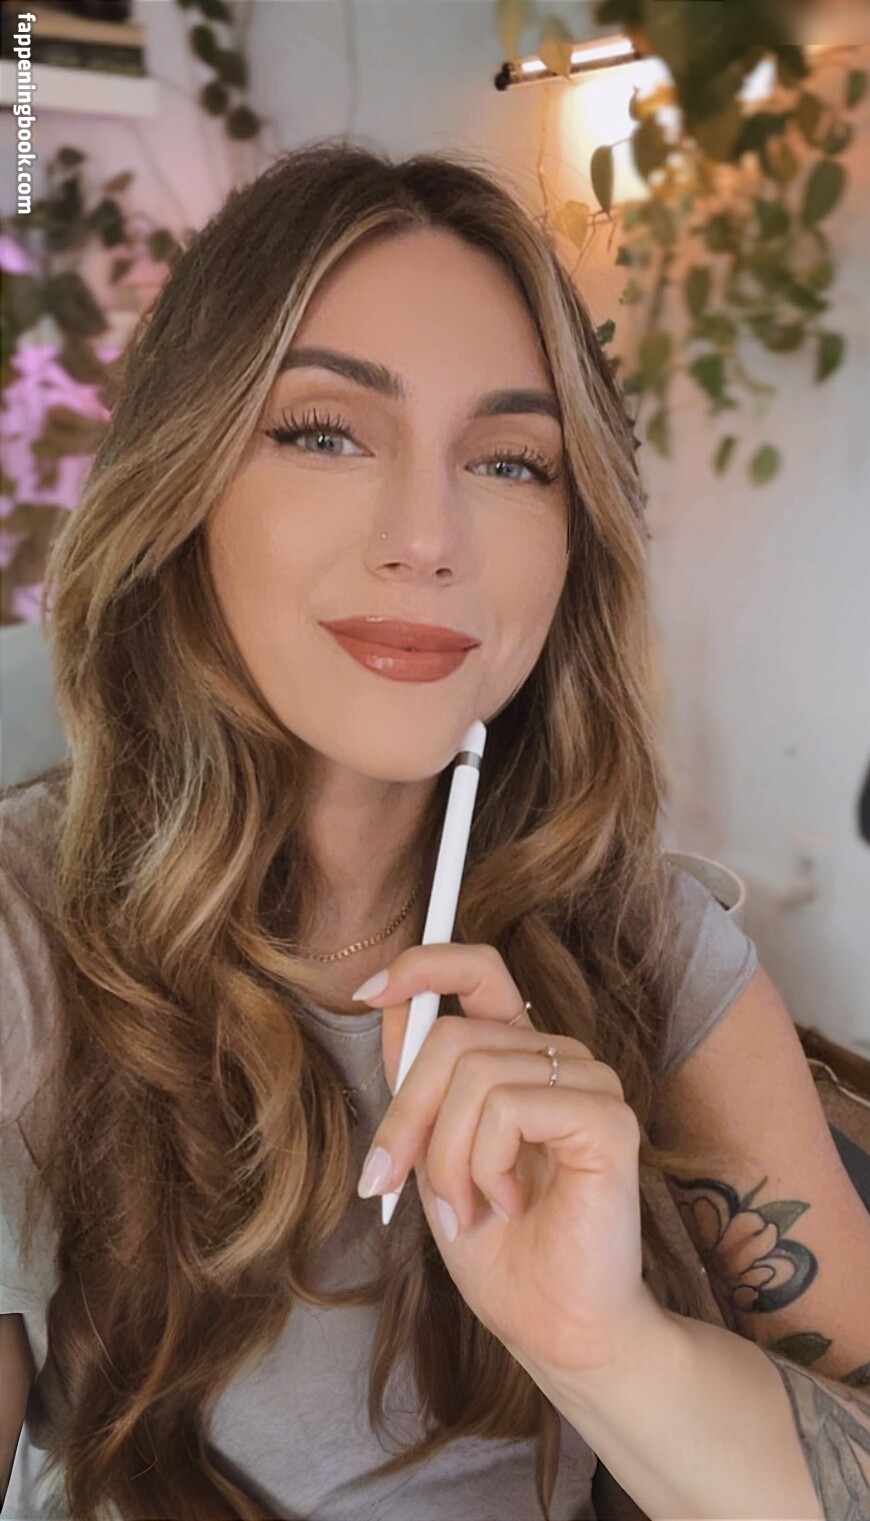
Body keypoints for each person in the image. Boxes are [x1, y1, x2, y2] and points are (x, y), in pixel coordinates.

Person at [0, 141, 765, 1521]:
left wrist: (614, 1351)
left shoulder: (648, 940)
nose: (429, 537)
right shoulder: (28, 938)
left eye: (512, 461)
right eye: (324, 433)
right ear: (185, 484)